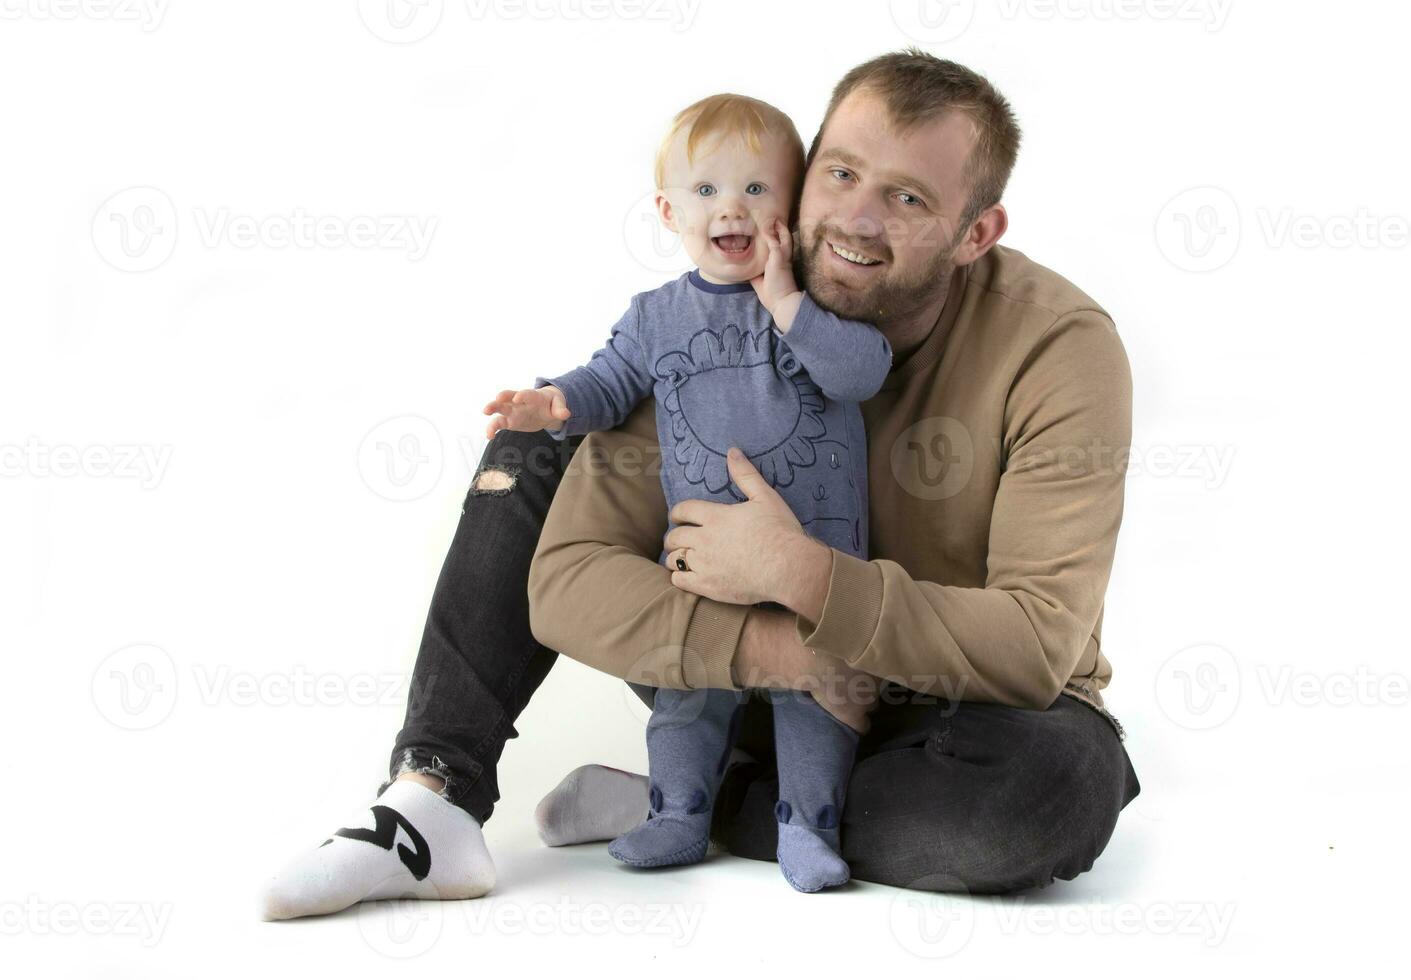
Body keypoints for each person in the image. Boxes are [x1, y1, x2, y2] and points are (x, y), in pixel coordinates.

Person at [258, 48, 1140, 922]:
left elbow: (1034, 644)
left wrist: (799, 573)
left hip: (950, 711)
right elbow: (569, 583)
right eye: (839, 174)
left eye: (907, 198)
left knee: (1041, 798)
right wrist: (790, 654)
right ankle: (432, 803)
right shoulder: (714, 314)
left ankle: (690, 801)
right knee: (542, 440)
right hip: (748, 677)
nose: (855, 221)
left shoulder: (1056, 347)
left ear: (976, 233)